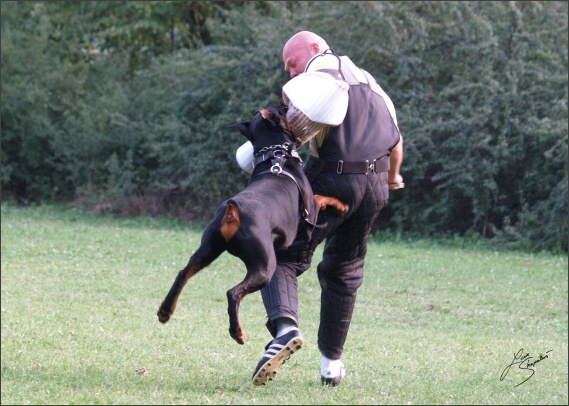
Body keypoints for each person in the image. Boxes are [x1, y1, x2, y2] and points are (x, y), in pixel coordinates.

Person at [251, 31, 404, 387]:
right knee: (345, 270)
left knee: (279, 252)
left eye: (292, 63)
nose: (291, 73)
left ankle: (285, 328)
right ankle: (331, 367)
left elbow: (291, 133)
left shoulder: (314, 82)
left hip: (331, 180)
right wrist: (394, 177)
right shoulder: (373, 84)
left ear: (316, 50)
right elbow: (396, 139)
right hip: (375, 184)